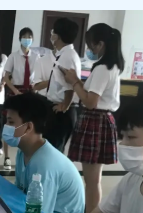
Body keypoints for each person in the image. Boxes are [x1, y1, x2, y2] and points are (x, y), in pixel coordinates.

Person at [60, 23, 124, 213]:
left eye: (91, 45)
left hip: (95, 120)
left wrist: (74, 82)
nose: (89, 49)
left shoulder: (102, 68)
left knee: (92, 179)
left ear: (101, 44)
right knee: (94, 179)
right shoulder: (112, 66)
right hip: (102, 120)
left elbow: (90, 101)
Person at [3, 92, 85, 213]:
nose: (6, 126)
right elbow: (19, 193)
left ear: (28, 127)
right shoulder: (23, 151)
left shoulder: (44, 164)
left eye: (11, 122)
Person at [41, 18, 81, 154]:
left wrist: (65, 106)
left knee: (53, 151)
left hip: (61, 111)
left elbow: (69, 84)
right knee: (52, 148)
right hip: (58, 108)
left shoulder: (67, 56)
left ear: (57, 36)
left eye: (53, 32)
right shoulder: (65, 54)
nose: (51, 34)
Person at [2, 27, 40, 169]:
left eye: (29, 37)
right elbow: (6, 77)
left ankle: (26, 156)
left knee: (29, 125)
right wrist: (15, 90)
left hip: (30, 92)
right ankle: (6, 157)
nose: (27, 39)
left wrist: (35, 89)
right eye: (24, 37)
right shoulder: (13, 56)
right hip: (16, 91)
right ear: (19, 39)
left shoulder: (36, 56)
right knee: (10, 124)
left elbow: (40, 76)